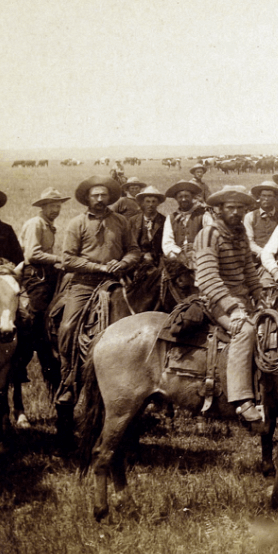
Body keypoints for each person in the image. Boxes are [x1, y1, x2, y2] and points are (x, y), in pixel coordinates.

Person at [54, 176, 142, 405]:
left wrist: (123, 263)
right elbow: (68, 259)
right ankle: (68, 380)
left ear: (109, 197)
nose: (100, 199)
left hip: (116, 281)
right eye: (95, 195)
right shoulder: (77, 223)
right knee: (67, 326)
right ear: (87, 199)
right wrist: (98, 266)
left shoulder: (121, 221)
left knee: (139, 325)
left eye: (103, 195)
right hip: (84, 282)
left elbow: (134, 250)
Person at [193, 186, 266, 426]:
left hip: (242, 299)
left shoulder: (240, 233)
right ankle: (241, 398)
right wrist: (233, 308)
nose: (235, 212)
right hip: (216, 300)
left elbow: (248, 270)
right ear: (219, 209)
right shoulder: (209, 234)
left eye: (240, 208)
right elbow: (207, 278)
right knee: (244, 331)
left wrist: (259, 294)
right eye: (230, 207)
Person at [14, 188, 68, 412]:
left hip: (48, 272)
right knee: (37, 314)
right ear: (43, 207)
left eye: (58, 205)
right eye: (51, 205)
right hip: (36, 276)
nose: (55, 209)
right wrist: (59, 259)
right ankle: (30, 345)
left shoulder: (47, 224)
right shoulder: (36, 224)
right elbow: (32, 255)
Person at [243, 181, 278, 261]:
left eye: (270, 196)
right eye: (263, 196)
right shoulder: (250, 216)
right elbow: (249, 241)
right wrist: (263, 253)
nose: (266, 199)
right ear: (259, 197)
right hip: (256, 258)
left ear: (275, 198)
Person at [127, 186, 166, 266]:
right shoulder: (133, 220)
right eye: (147, 202)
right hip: (137, 259)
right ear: (142, 203)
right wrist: (142, 255)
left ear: (158, 203)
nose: (150, 205)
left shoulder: (164, 220)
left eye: (153, 202)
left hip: (158, 260)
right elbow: (129, 244)